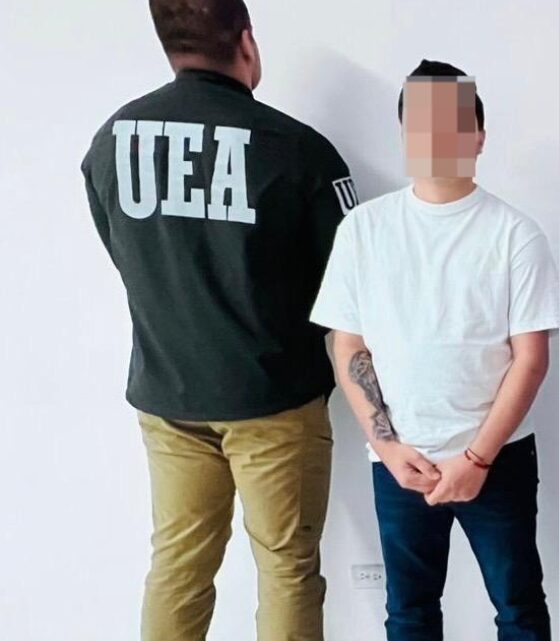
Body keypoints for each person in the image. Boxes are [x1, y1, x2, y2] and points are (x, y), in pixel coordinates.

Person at [80, 1, 356, 639]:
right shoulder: (298, 150)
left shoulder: (112, 139)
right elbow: (351, 282)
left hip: (168, 393)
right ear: (247, 43)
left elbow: (124, 254)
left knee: (177, 567)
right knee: (286, 569)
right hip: (273, 398)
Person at [311, 60, 559, 641]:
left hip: (498, 458)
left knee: (519, 608)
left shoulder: (514, 233)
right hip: (399, 461)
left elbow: (531, 358)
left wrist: (476, 460)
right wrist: (388, 445)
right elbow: (348, 344)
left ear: (479, 137)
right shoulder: (364, 230)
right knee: (409, 613)